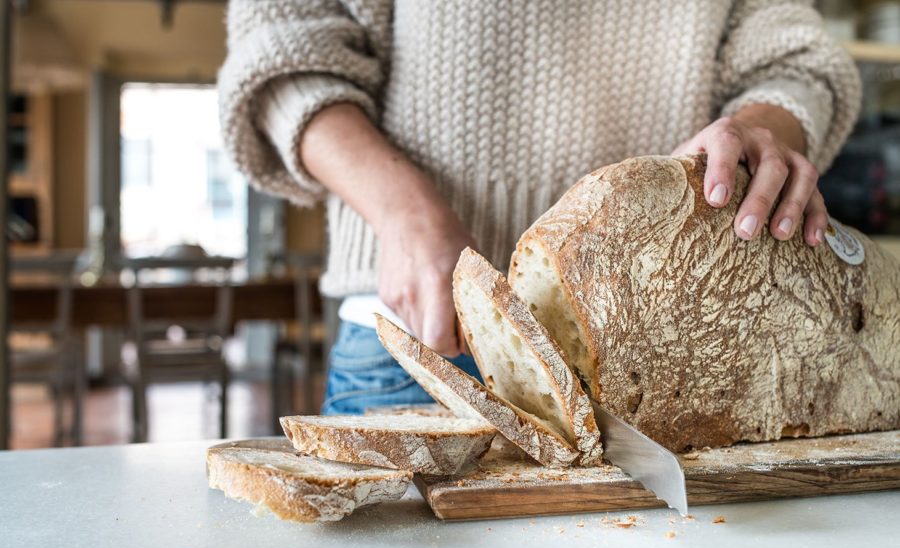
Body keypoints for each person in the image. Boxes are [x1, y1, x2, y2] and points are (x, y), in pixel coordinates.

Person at [219, 1, 860, 415]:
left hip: (671, 350)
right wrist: (403, 213)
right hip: (428, 344)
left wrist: (758, 129)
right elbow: (282, 48)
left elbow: (799, 64)